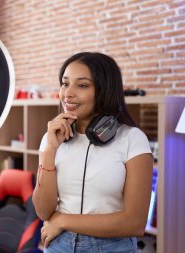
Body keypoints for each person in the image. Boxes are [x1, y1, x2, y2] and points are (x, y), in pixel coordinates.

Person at [32, 52, 153, 253]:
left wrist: (63, 220)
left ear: (104, 91)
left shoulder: (133, 139)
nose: (67, 94)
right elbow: (43, 211)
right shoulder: (52, 139)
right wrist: (49, 151)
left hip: (111, 247)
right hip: (58, 244)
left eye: (82, 85)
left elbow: (135, 223)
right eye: (65, 83)